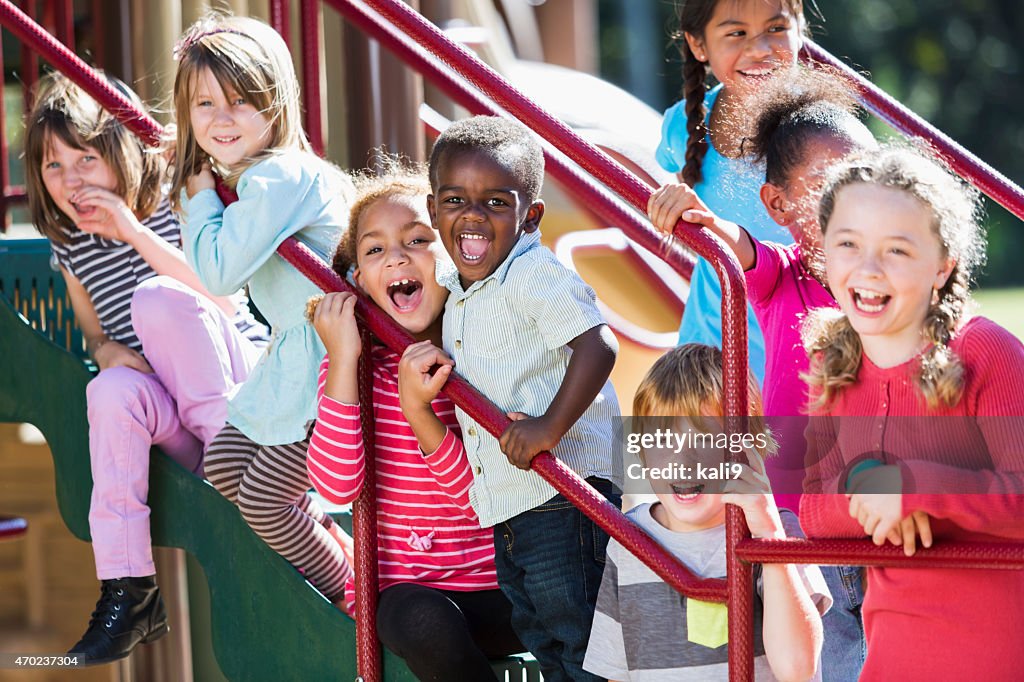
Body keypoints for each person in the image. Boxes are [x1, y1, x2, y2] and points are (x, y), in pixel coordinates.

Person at [24, 72, 268, 664]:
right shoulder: (71, 247)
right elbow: (95, 333)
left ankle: (243, 480)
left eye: (85, 158)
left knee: (156, 298)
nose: (71, 180)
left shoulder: (178, 200)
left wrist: (132, 233)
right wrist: (105, 352)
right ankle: (129, 592)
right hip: (181, 420)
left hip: (241, 407)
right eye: (54, 167)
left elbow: (222, 300)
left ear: (122, 150)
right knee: (109, 390)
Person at [647, 68, 875, 681]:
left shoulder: (886, 284)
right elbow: (735, 246)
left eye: (869, 178)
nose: (857, 201)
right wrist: (699, 218)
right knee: (827, 656)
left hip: (873, 508)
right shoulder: (785, 274)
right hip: (799, 515)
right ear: (778, 205)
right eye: (831, 187)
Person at [799, 146, 1024, 680]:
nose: (868, 267)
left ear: (941, 268)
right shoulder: (833, 365)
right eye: (848, 243)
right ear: (823, 254)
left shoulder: (986, 352)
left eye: (897, 250)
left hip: (999, 651)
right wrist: (871, 490)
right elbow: (811, 509)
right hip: (894, 653)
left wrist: (917, 487)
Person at [410, 115, 621, 681]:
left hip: (564, 494)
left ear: (530, 215)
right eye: (455, 199)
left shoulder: (530, 273)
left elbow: (597, 345)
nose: (473, 215)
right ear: (433, 212)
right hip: (511, 503)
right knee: (543, 637)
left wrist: (549, 427)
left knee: (580, 638)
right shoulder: (458, 288)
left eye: (496, 203)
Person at [305, 160, 523, 680]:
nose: (396, 256)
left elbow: (481, 499)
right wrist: (342, 362)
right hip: (413, 595)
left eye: (418, 240)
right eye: (375, 249)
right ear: (358, 280)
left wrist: (418, 410)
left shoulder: (482, 357)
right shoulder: (355, 370)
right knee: (413, 617)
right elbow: (335, 487)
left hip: (498, 589)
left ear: (455, 257)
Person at [170, 14, 355, 607]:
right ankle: (340, 551)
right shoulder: (260, 177)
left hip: (332, 365)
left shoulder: (279, 174)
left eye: (242, 101)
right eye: (205, 103)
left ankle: (353, 595)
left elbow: (218, 272)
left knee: (266, 500)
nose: (222, 119)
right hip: (295, 357)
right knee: (224, 463)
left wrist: (200, 198)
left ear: (275, 105)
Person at [584, 343, 830, 681]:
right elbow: (617, 672)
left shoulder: (779, 532)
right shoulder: (629, 541)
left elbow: (798, 669)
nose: (682, 463)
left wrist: (769, 537)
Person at [657, 0, 810, 381]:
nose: (759, 49)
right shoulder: (683, 125)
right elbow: (689, 200)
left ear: (799, 27)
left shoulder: (820, 131)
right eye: (736, 33)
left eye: (775, 29)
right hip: (712, 343)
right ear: (698, 45)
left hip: (799, 343)